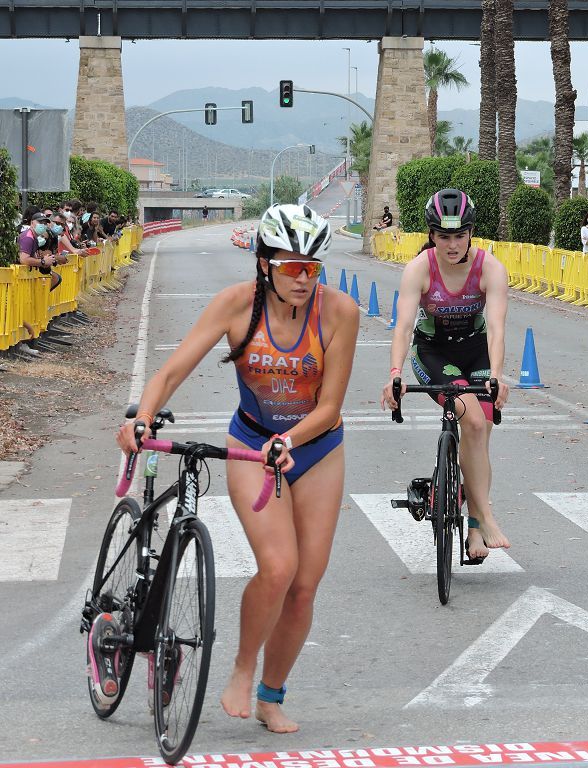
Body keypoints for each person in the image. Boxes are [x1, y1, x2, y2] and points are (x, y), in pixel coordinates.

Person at [115, 204, 359, 733]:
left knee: (304, 585)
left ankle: (272, 696)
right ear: (264, 262)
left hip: (315, 447)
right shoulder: (234, 305)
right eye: (291, 266)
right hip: (251, 444)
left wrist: (289, 439)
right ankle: (242, 671)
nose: (303, 278)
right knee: (278, 567)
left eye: (312, 267)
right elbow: (173, 368)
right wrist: (143, 418)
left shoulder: (339, 312)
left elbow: (330, 408)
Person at [381, 188, 511, 561]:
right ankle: (486, 516)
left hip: (476, 349)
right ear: (431, 235)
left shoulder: (490, 268)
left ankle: (472, 530)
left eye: (459, 235)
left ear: (471, 232)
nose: (452, 245)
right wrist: (394, 373)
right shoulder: (420, 269)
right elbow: (404, 326)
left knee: (480, 432)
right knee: (470, 418)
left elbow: (498, 329)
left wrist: (498, 375)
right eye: (443, 236)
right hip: (434, 351)